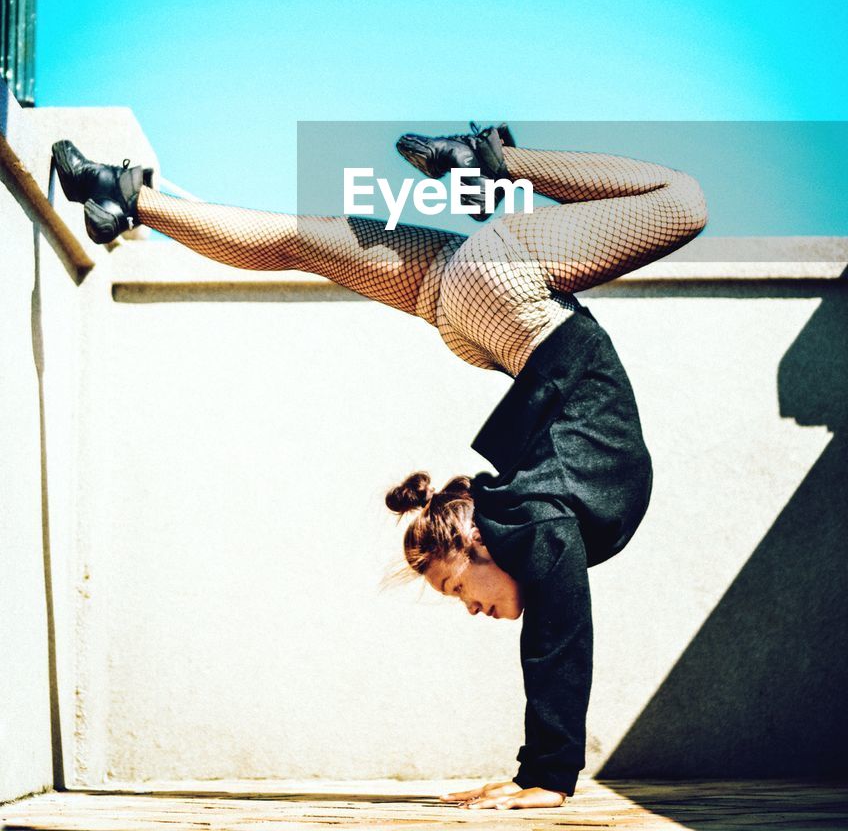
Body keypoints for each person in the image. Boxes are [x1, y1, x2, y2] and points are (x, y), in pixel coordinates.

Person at [51, 125, 707, 809]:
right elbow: (559, 641)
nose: (472, 609)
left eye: (456, 594)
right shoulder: (534, 526)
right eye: (460, 589)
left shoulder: (533, 506)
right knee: (683, 200)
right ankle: (490, 160)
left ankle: (122, 195)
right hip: (513, 296)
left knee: (295, 241)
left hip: (471, 305)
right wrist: (546, 776)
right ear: (475, 541)